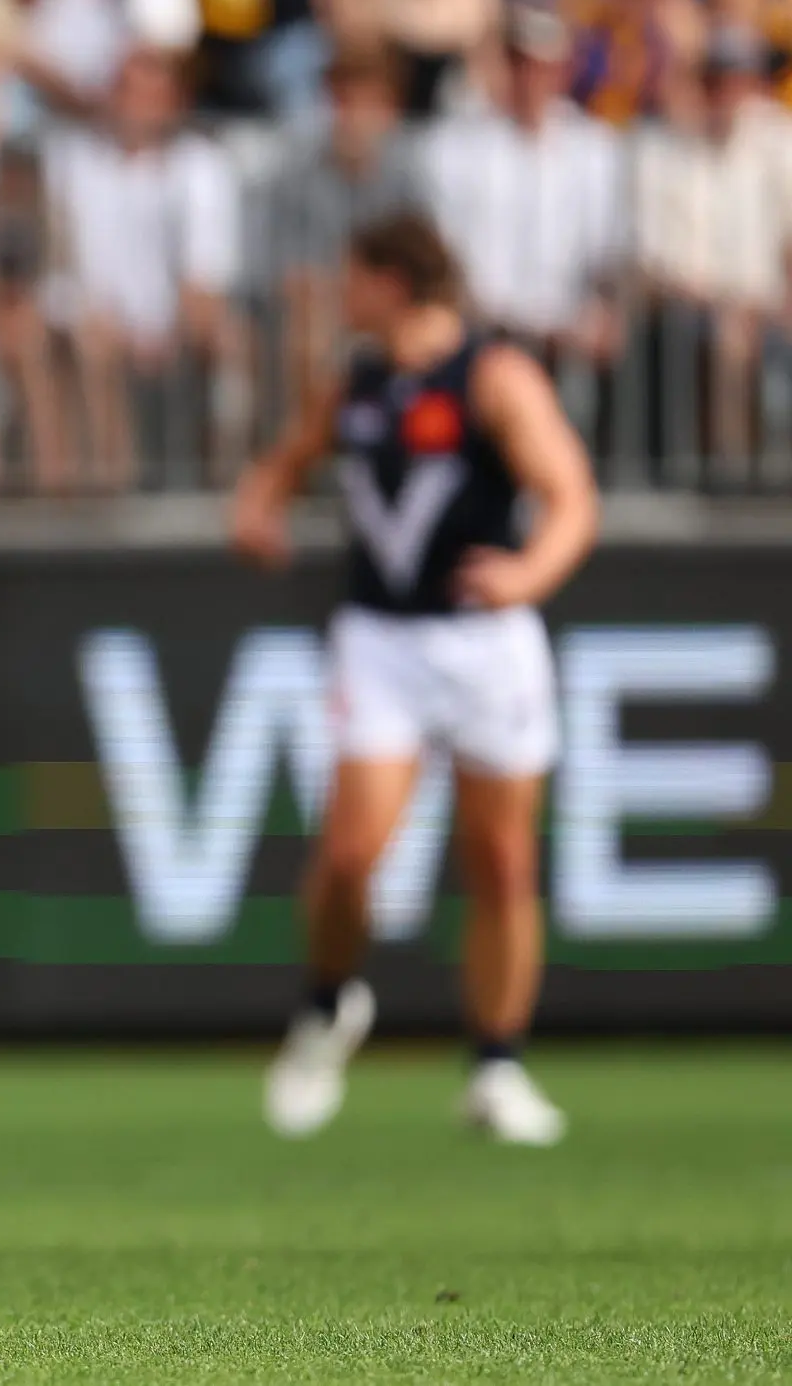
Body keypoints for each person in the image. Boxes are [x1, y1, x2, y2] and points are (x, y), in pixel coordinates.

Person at [230, 215, 598, 1147]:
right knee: (352, 854)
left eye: (352, 276)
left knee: (503, 861)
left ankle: (497, 1065)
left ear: (393, 280)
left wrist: (528, 574)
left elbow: (570, 497)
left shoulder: (492, 377)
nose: (339, 293)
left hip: (486, 643)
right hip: (381, 642)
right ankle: (327, 1005)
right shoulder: (354, 385)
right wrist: (259, 510)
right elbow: (285, 461)